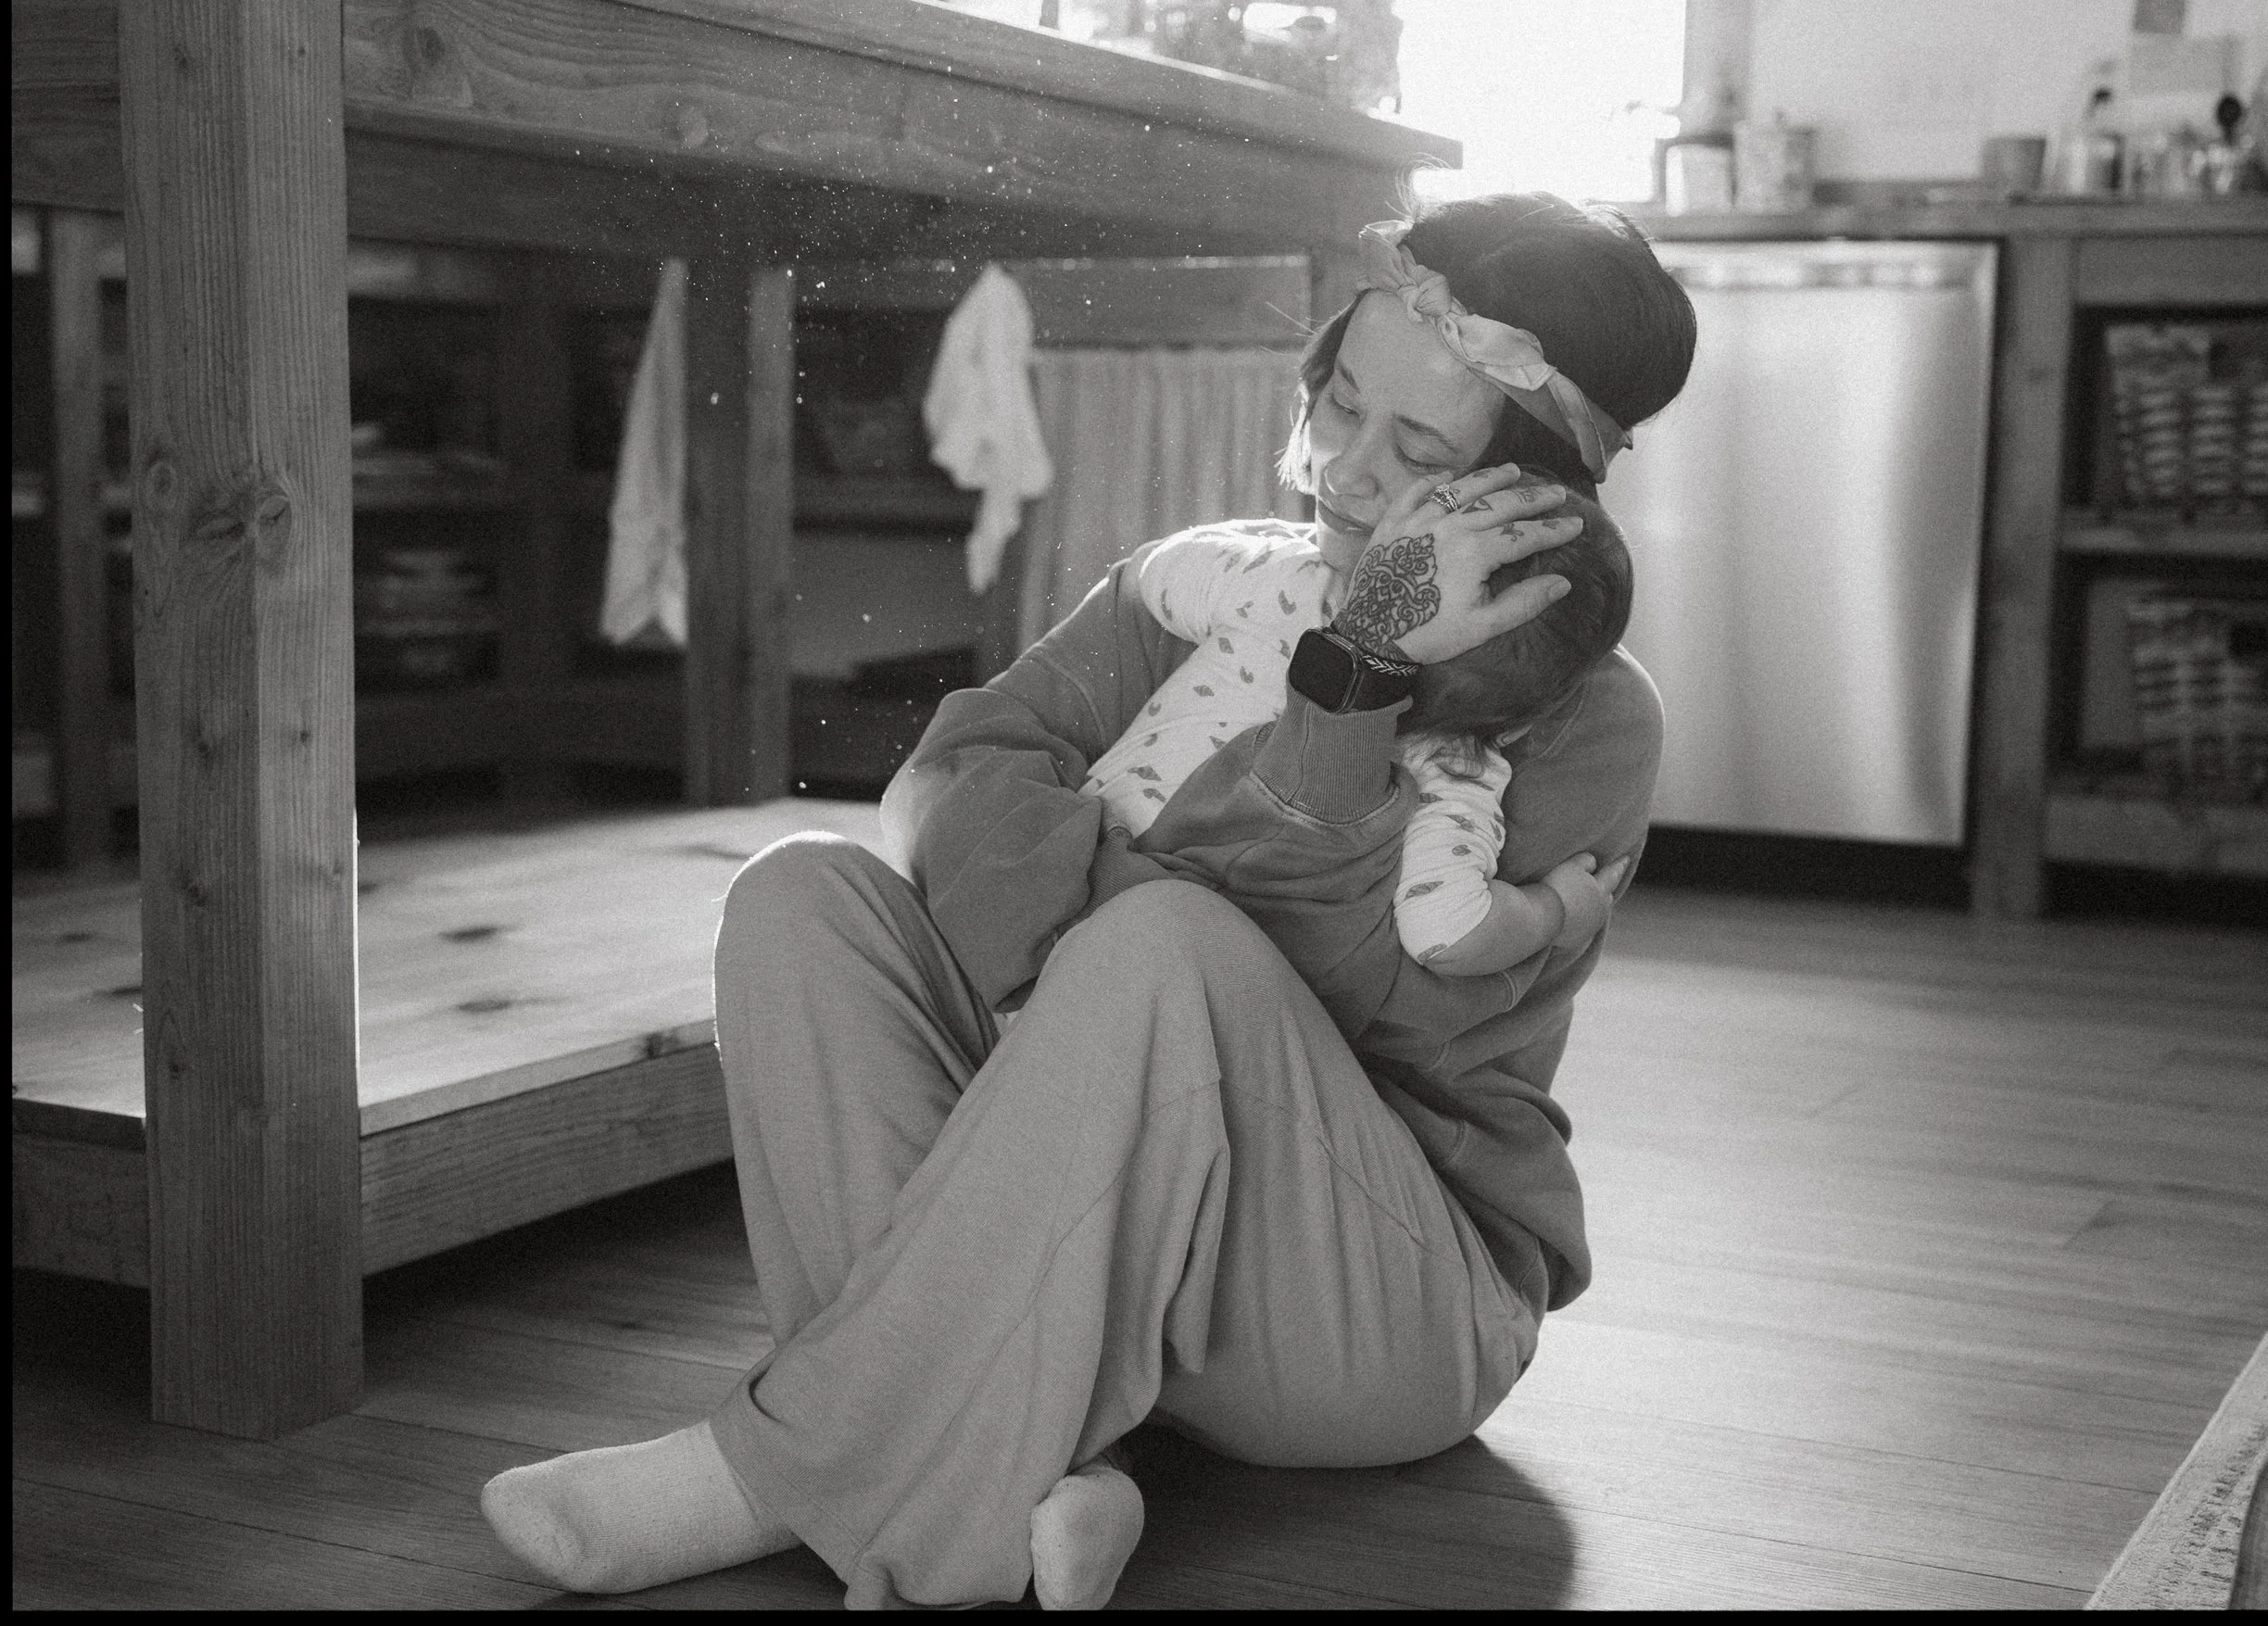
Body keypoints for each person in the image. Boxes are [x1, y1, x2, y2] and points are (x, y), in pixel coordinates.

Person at [480, 192, 1697, 1609]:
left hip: (1374, 1297)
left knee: (1166, 946)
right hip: (1098, 1232)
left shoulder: (1586, 719)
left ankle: (774, 1470)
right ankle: (1049, 1472)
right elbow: (952, 773)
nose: (1346, 471)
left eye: (1419, 453)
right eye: (1340, 401)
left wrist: (1353, 677)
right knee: (803, 894)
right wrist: (1097, 956)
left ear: (1529, 505)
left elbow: (1349, 993)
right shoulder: (1208, 583)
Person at [1089, 488, 1637, 975]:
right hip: (1178, 955)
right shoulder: (1453, 769)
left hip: (1080, 856)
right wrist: (1555, 910)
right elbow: (1446, 933)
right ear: (1521, 724)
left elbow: (1154, 576)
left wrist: (1270, 540)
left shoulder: (1290, 578)